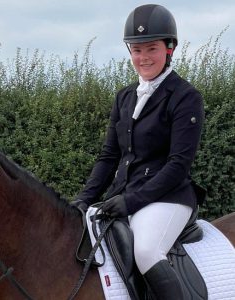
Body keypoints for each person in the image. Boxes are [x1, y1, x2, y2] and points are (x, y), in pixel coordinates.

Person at [71, 4, 205, 300]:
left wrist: (131, 201)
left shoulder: (185, 97)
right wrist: (84, 198)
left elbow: (178, 165)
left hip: (168, 197)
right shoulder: (125, 97)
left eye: (151, 49)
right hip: (126, 194)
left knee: (145, 251)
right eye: (136, 50)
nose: (143, 58)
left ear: (170, 48)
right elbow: (109, 157)